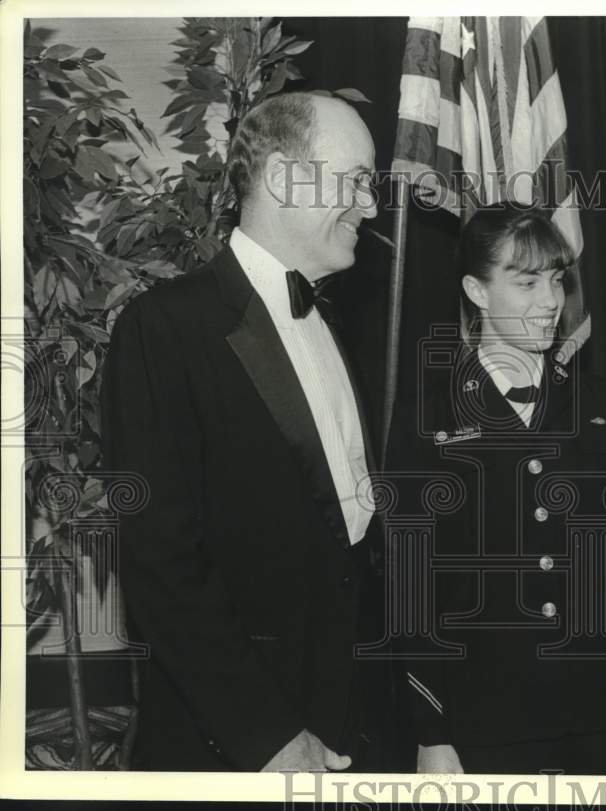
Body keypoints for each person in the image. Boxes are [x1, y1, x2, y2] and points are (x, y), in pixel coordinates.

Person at [101, 93, 383, 771]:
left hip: (354, 726)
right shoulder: (162, 328)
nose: (371, 206)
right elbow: (160, 568)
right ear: (285, 178)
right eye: (356, 180)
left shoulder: (338, 328)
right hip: (237, 748)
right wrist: (272, 738)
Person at [386, 203, 606, 775]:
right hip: (483, 723)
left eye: (557, 280)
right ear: (477, 290)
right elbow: (407, 584)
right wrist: (430, 729)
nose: (551, 301)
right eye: (527, 281)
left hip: (601, 716)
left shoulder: (602, 404)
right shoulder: (426, 416)